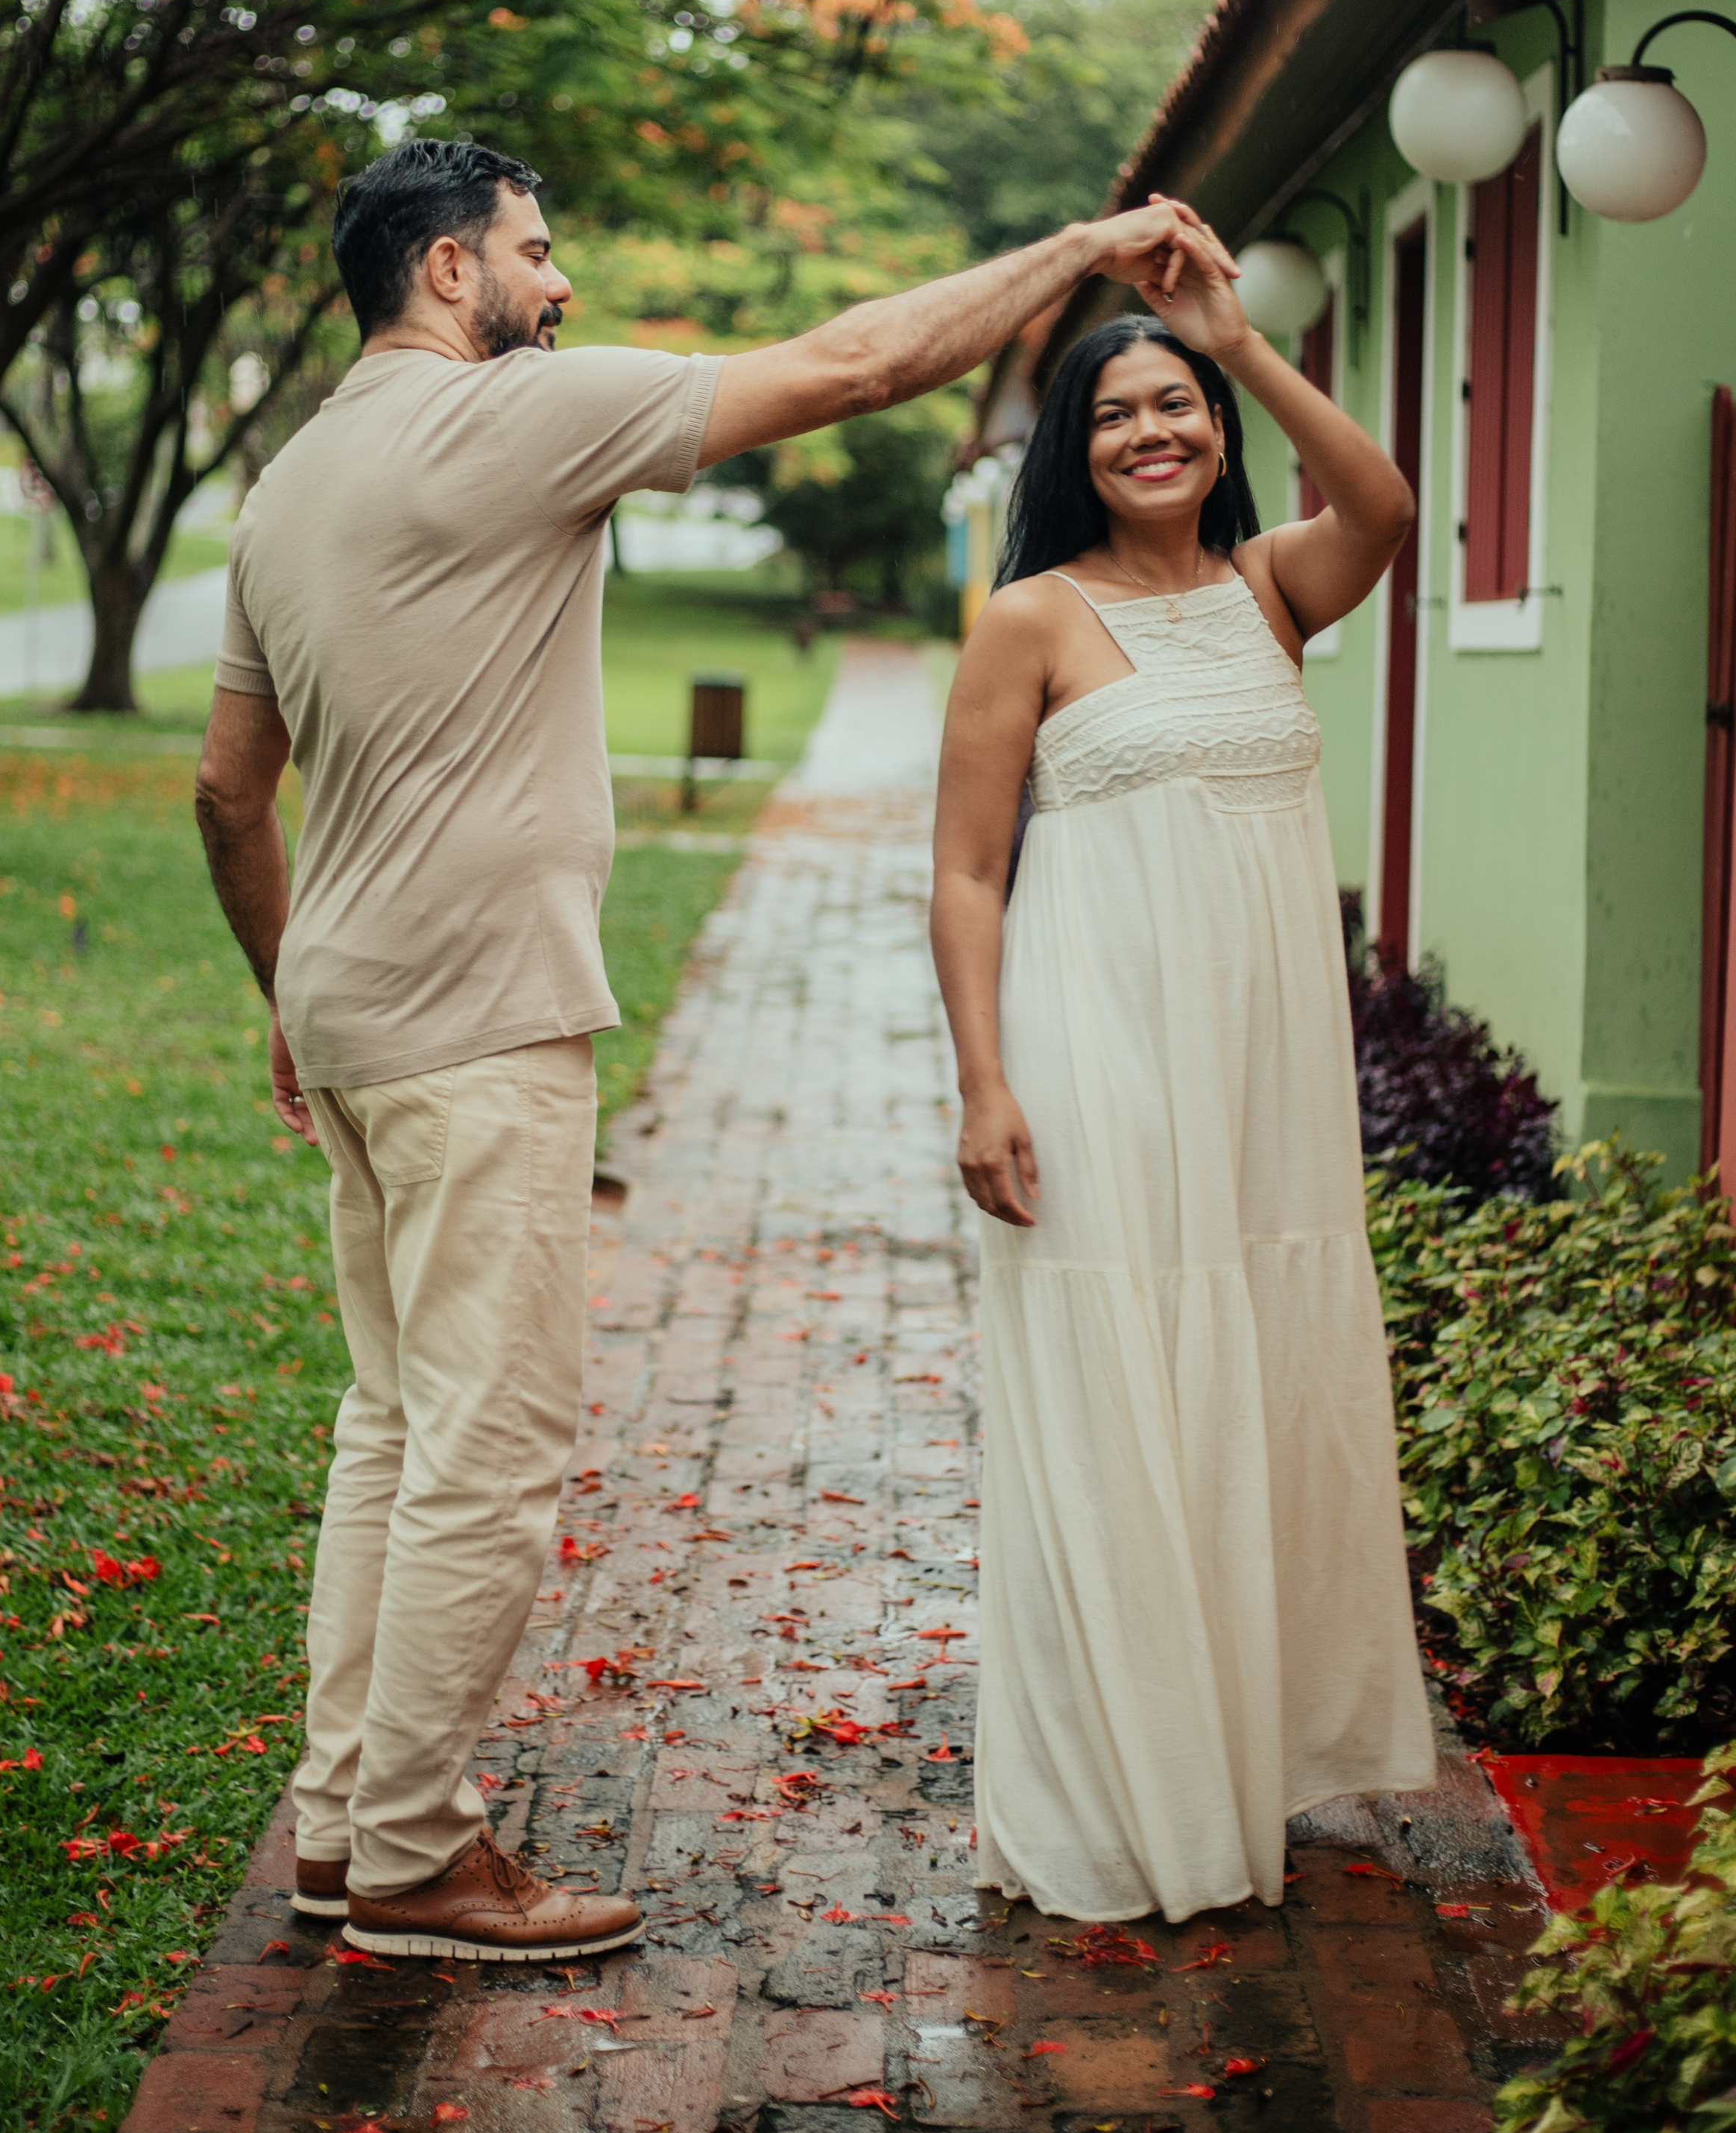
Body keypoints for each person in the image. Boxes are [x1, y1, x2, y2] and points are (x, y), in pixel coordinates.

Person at [192, 133, 1227, 1964]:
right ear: (449, 274)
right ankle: (424, 1860)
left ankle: (351, 1827)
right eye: (534, 248)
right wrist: (1075, 242)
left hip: (354, 1015)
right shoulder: (508, 416)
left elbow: (224, 791)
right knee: (490, 1453)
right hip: (476, 1015)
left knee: (393, 1428)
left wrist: (292, 993)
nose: (557, 281)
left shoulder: (285, 489)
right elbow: (852, 368)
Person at [929, 221, 1436, 1928]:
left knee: (1249, 1381)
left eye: (1177, 407)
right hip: (1099, 1049)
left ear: (1213, 426)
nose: (1151, 434)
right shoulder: (1027, 621)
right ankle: (1116, 1794)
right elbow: (966, 872)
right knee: (1118, 1383)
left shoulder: (1269, 583)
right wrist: (982, 1084)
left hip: (1261, 1068)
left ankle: (1232, 1764)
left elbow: (1382, 509)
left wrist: (1237, 337)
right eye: (1114, 416)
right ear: (1069, 454)